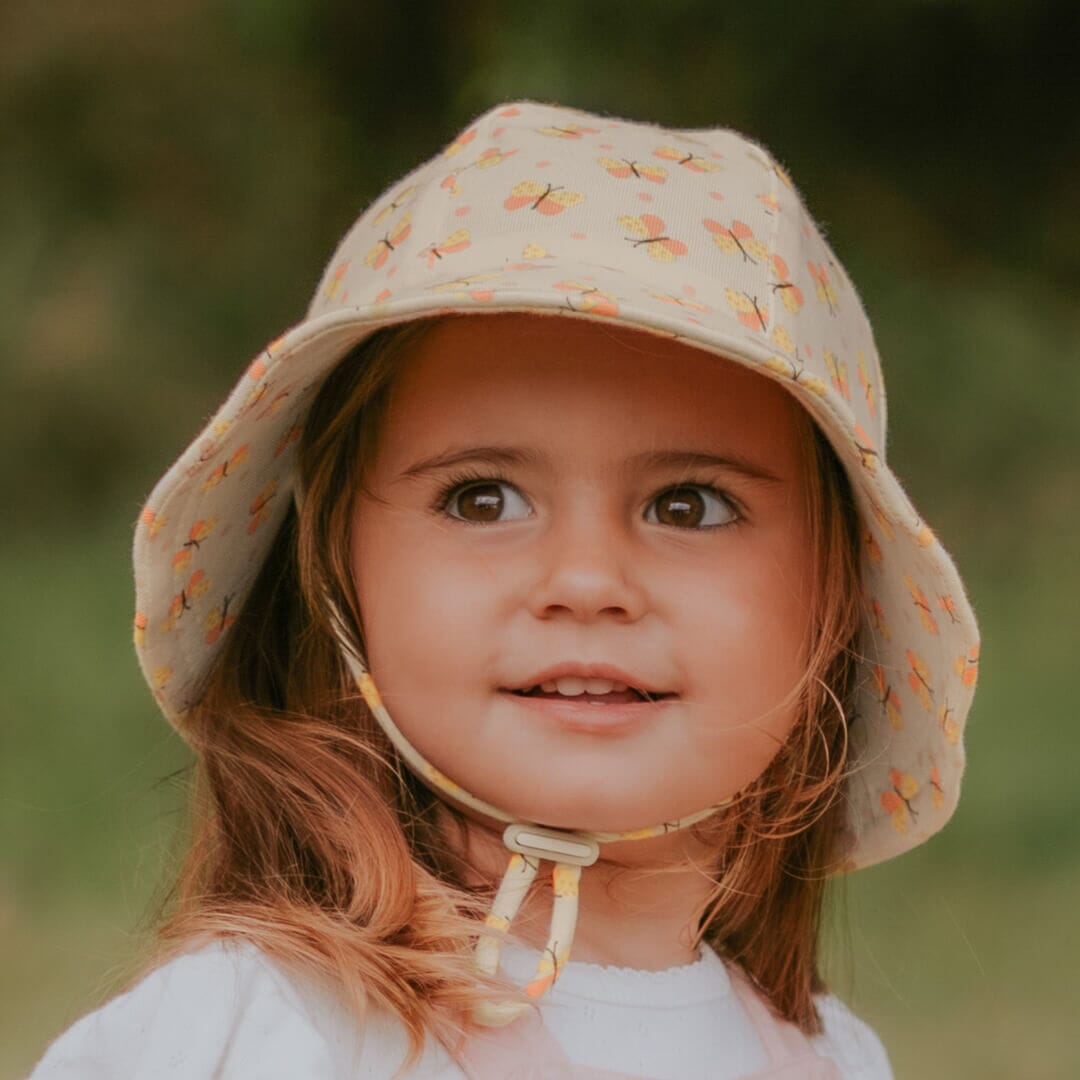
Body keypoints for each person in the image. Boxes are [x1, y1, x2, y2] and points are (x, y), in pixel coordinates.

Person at [29, 101, 978, 1079]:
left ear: (834, 599)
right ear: (335, 574)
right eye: (482, 498)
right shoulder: (249, 1034)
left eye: (690, 505)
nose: (586, 581)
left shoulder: (838, 1061)